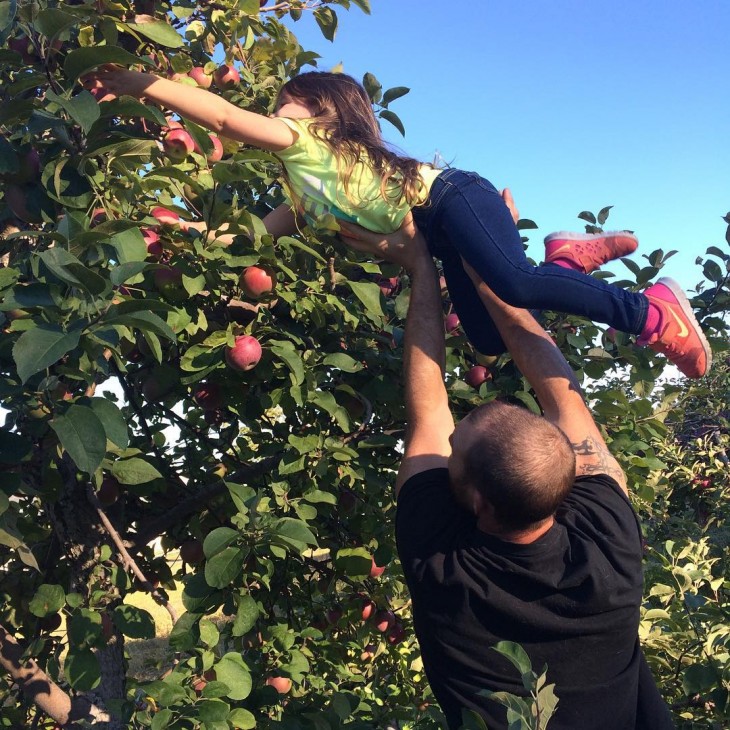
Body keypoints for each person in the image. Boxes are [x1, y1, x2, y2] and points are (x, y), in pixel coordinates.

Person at [82, 67, 711, 378]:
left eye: (286, 104)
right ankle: (566, 261)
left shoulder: (304, 140)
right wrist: (165, 231)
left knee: (515, 287)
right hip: (438, 235)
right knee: (493, 341)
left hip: (454, 198)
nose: (275, 114)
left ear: (322, 113)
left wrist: (135, 80)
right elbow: (241, 238)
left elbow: (218, 115)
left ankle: (652, 311)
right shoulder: (302, 197)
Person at [341, 212, 675, 729]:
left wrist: (422, 267)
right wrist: (493, 261)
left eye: (456, 446)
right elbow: (562, 395)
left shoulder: (441, 558)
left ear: (478, 502)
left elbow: (429, 410)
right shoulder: (610, 543)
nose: (448, 438)